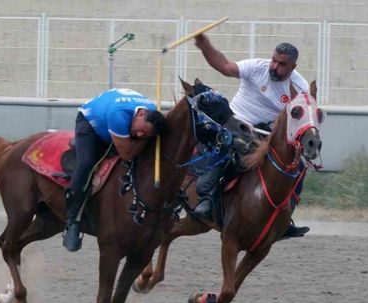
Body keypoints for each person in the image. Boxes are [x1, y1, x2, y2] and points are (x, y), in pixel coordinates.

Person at [192, 33, 310, 239]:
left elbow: (297, 119)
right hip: (235, 122)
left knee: (297, 167)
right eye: (274, 60)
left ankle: (284, 217)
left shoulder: (300, 88)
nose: (274, 66)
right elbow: (225, 66)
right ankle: (206, 199)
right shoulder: (257, 67)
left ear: (293, 67)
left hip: (266, 134)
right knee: (230, 148)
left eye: (281, 64)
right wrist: (205, 47)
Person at [63, 88, 167, 252]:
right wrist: (146, 139)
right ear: (140, 114)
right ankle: (71, 221)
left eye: (144, 134)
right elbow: (127, 154)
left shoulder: (151, 113)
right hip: (90, 123)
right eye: (141, 131)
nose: (139, 134)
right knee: (87, 163)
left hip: (116, 122)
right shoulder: (118, 115)